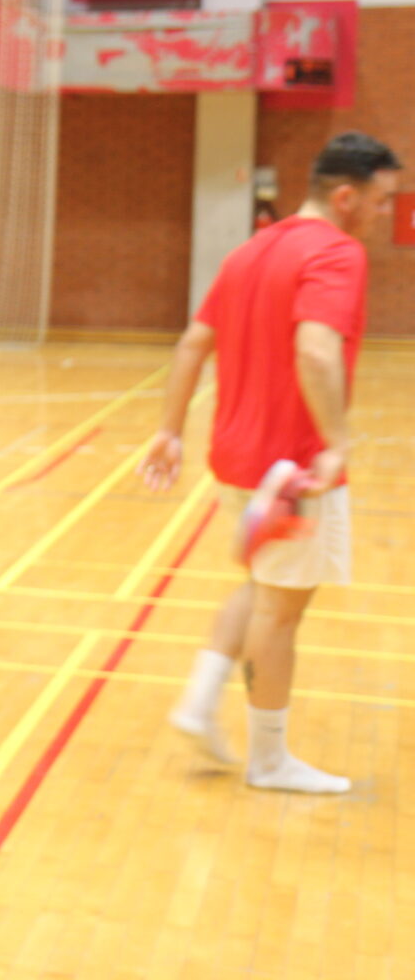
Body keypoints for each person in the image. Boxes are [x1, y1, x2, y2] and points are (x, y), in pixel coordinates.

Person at [144, 131, 403, 794]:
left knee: (266, 586)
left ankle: (200, 700)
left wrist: (170, 431)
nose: (386, 213)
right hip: (296, 469)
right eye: (381, 201)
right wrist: (337, 442)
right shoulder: (337, 254)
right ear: (345, 197)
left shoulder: (251, 249)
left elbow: (192, 343)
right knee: (281, 612)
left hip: (237, 459)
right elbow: (316, 350)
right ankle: (269, 760)